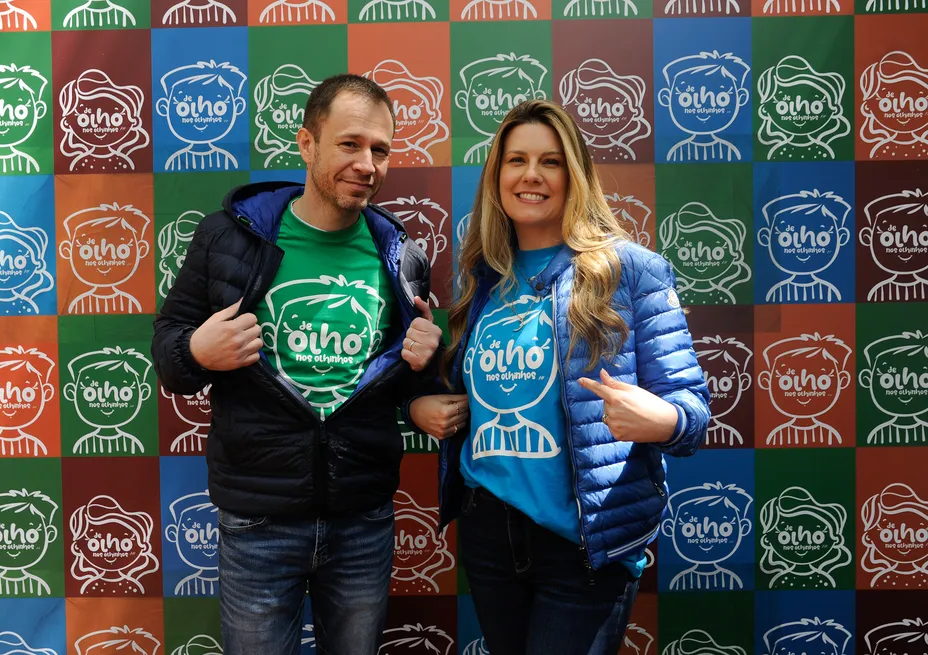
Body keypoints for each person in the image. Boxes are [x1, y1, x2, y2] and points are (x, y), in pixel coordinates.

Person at [151, 74, 443, 655]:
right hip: (258, 523)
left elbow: (395, 382)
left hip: (362, 519)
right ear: (306, 143)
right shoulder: (228, 238)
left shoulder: (403, 256)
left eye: (380, 150)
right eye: (349, 144)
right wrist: (196, 352)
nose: (367, 164)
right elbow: (170, 357)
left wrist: (421, 375)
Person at [406, 99, 711, 655]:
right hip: (490, 536)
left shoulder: (632, 271)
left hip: (584, 547)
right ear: (496, 176)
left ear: (576, 175)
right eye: (516, 159)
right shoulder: (483, 277)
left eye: (550, 161)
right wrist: (427, 401)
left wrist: (661, 418)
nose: (531, 175)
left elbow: (692, 414)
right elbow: (492, 394)